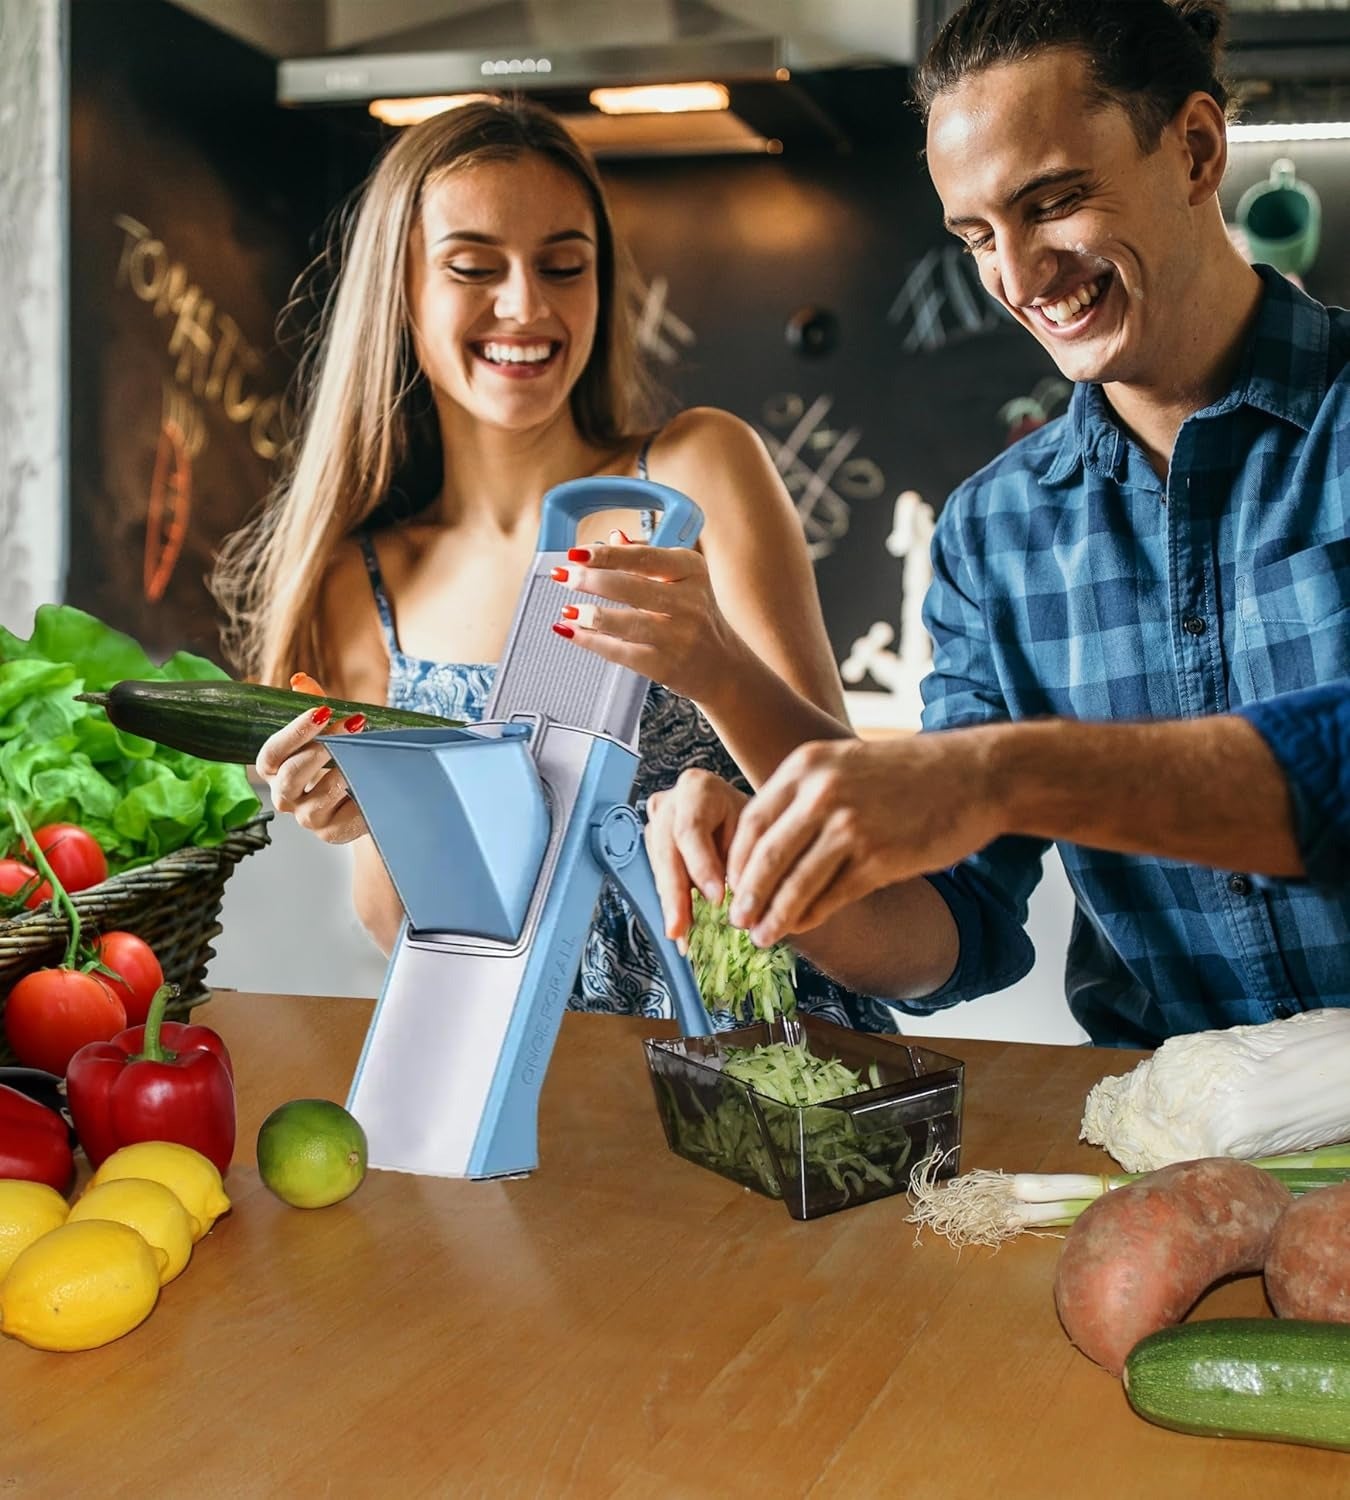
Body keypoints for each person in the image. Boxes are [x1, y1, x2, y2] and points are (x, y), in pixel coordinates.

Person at [644, 0, 1350, 1048]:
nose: (1019, 279)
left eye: (1054, 201)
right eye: (978, 236)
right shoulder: (995, 533)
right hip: (1172, 1150)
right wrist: (785, 870)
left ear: (1197, 150)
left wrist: (992, 774)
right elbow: (949, 934)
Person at [212, 96, 898, 1030]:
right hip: (538, 1082)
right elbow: (398, 929)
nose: (527, 305)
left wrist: (716, 675)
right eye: (472, 267)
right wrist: (377, 812)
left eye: (564, 265)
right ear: (401, 290)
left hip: (770, 1056)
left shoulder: (694, 472)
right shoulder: (362, 587)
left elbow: (840, 798)